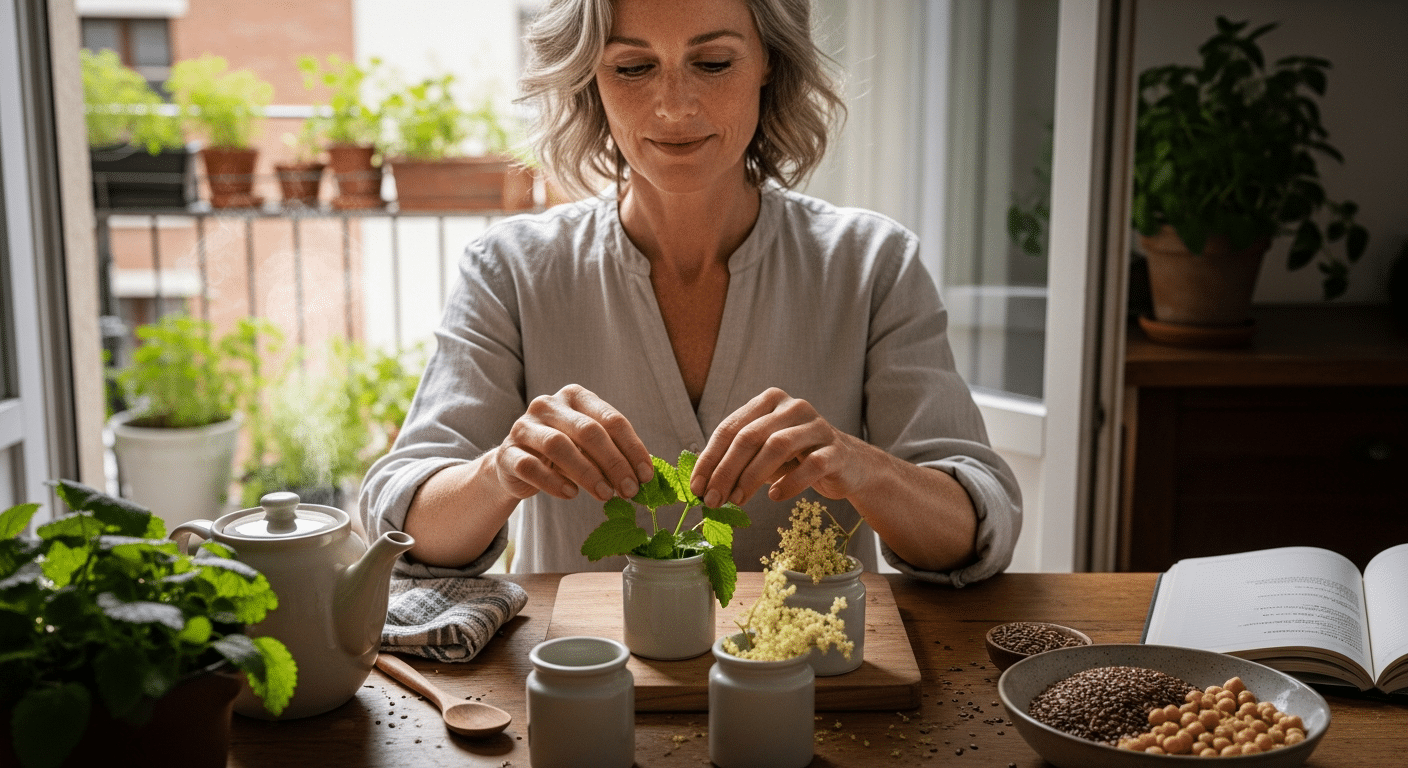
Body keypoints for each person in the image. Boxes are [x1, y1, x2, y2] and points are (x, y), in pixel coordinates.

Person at [360, 0, 1021, 586]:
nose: (674, 106)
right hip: (583, 700)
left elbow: (973, 528)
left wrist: (858, 466)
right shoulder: (510, 271)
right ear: (590, 75)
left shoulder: (872, 265)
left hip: (815, 693)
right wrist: (500, 472)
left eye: (711, 63)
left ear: (768, 62)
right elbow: (405, 523)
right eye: (633, 68)